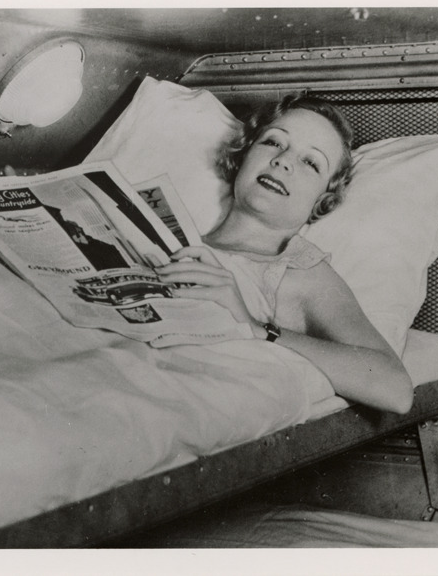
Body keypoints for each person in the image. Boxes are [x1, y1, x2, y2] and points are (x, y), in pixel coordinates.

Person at [155, 94, 414, 414]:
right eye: (274, 142)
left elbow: (395, 388)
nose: (283, 161)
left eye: (311, 163)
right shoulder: (172, 237)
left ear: (323, 199)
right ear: (243, 156)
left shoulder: (299, 269)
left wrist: (255, 327)